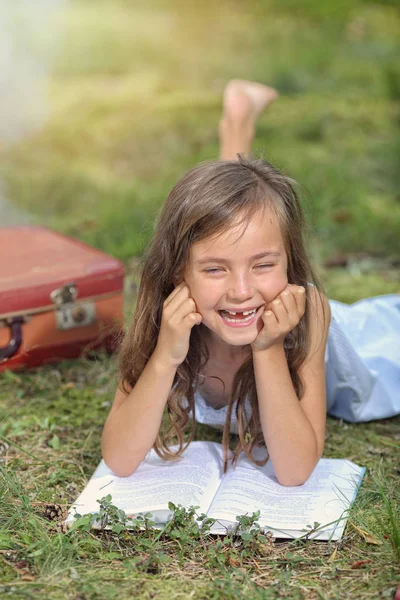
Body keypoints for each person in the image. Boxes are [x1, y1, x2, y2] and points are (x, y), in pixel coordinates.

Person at [101, 80, 400, 486]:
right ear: (177, 275)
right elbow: (119, 459)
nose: (241, 290)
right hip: (223, 297)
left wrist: (269, 346)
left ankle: (238, 125)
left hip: (358, 346)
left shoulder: (307, 313)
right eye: (213, 270)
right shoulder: (167, 312)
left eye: (264, 265)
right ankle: (238, 123)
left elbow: (295, 471)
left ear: (289, 263)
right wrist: (165, 357)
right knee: (227, 222)